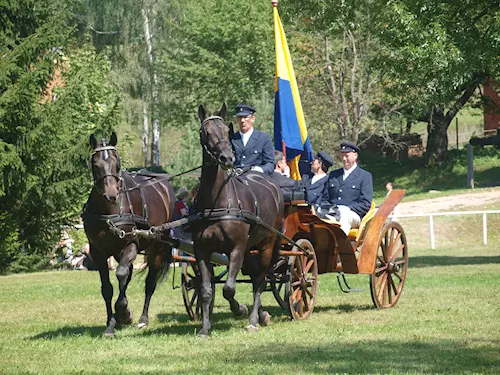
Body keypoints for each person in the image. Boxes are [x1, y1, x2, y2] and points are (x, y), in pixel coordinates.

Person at [320, 142, 373, 235]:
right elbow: (325, 198)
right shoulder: (334, 175)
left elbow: (365, 204)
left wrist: (346, 208)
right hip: (332, 212)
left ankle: (341, 246)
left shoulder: (365, 176)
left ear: (355, 156)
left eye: (347, 156)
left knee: (344, 215)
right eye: (342, 156)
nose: (344, 159)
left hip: (353, 215)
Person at [231, 104, 274, 174]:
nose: (242, 120)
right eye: (239, 117)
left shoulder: (263, 138)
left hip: (256, 178)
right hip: (235, 178)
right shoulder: (232, 138)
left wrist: (259, 170)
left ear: (253, 119)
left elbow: (270, 164)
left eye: (245, 117)